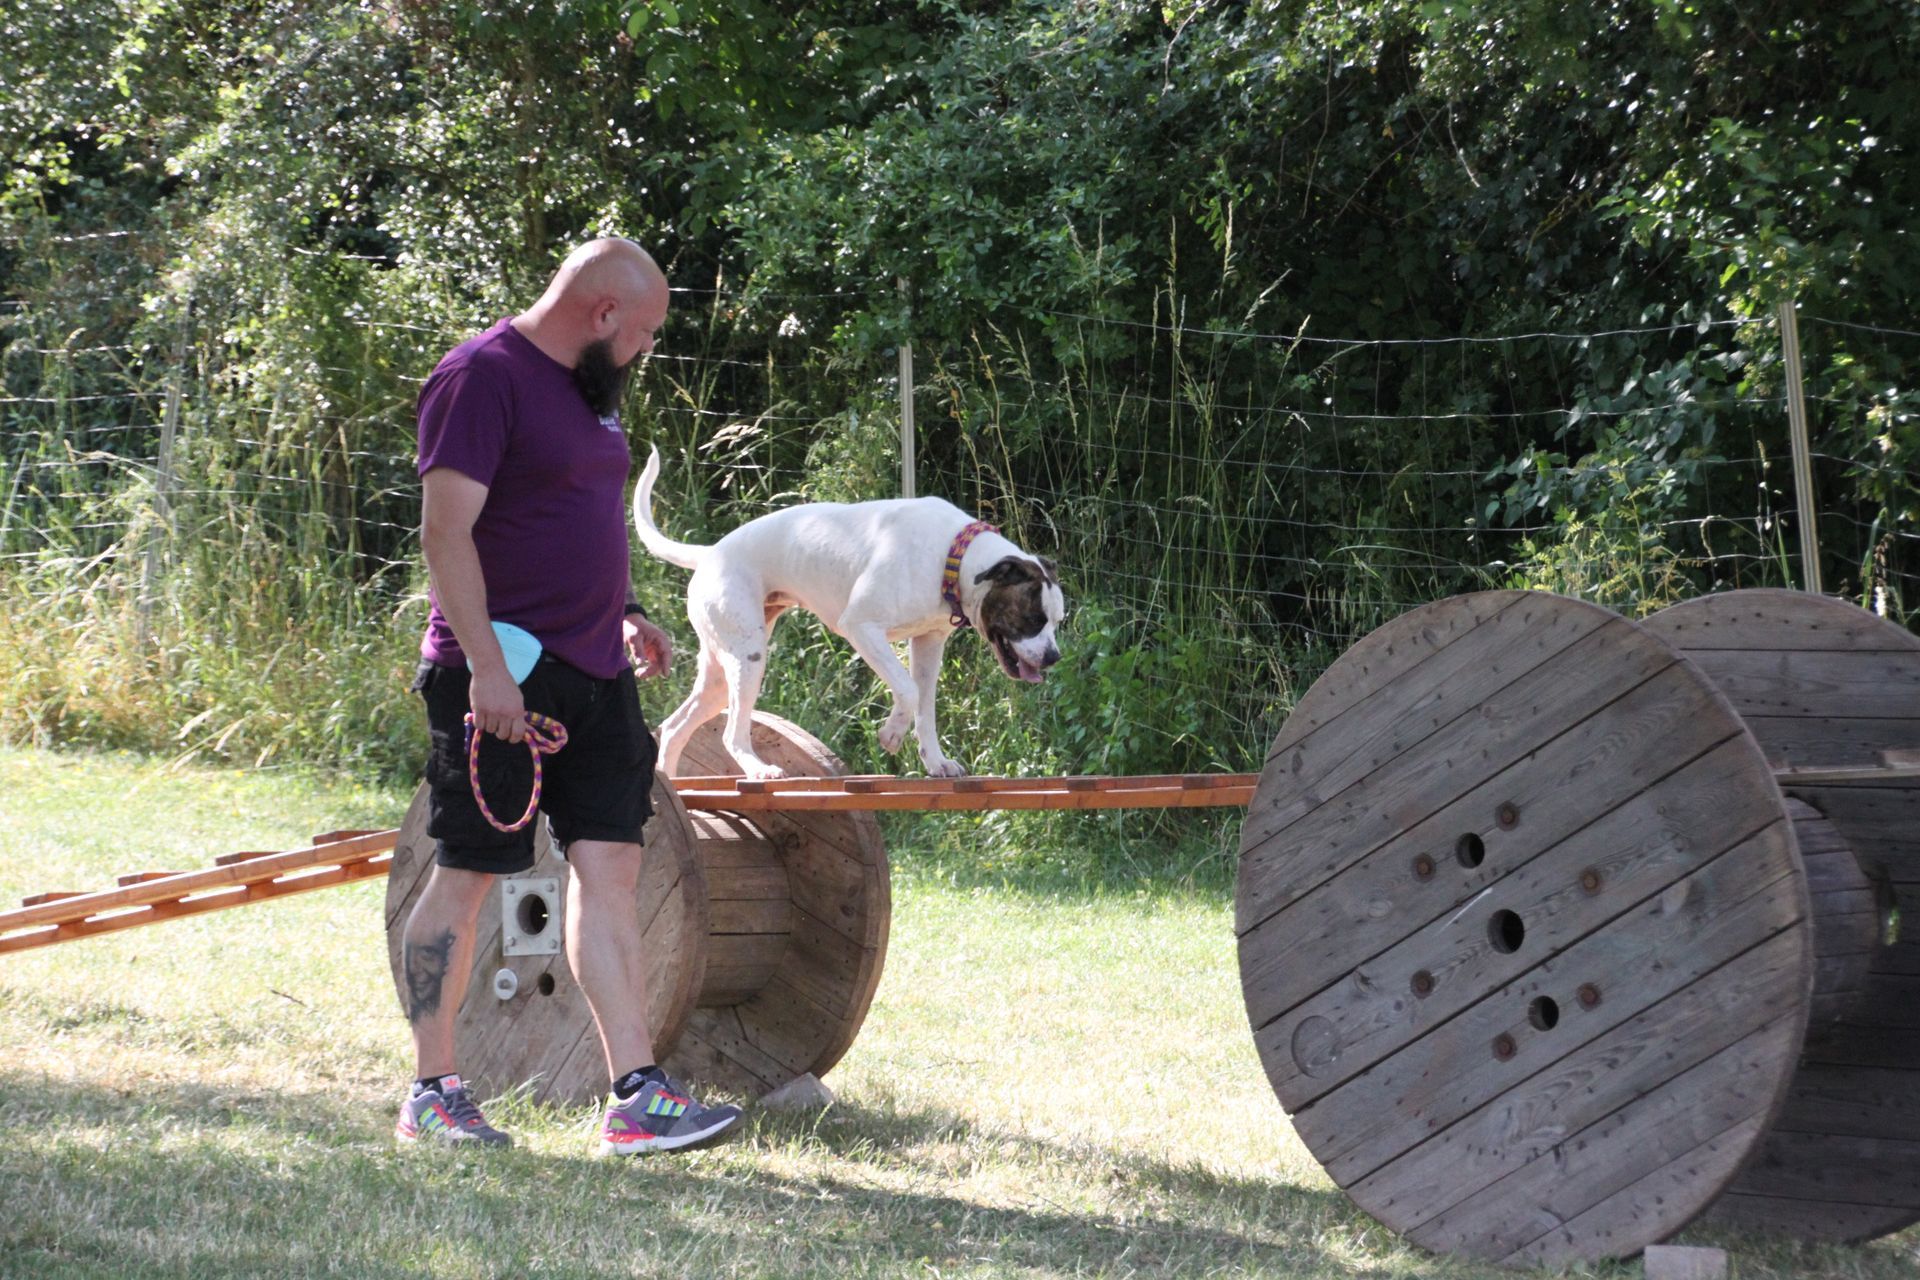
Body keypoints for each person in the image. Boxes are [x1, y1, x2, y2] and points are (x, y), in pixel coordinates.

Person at [395, 237, 741, 1155]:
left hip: (597, 676)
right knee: (468, 874)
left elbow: (567, 514)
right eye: (644, 331)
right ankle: (432, 1092)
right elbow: (444, 535)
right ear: (602, 313)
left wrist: (626, 611)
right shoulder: (480, 378)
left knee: (612, 873)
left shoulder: (592, 391)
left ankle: (637, 1098)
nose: (647, 349)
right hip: (501, 672)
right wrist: (487, 672)